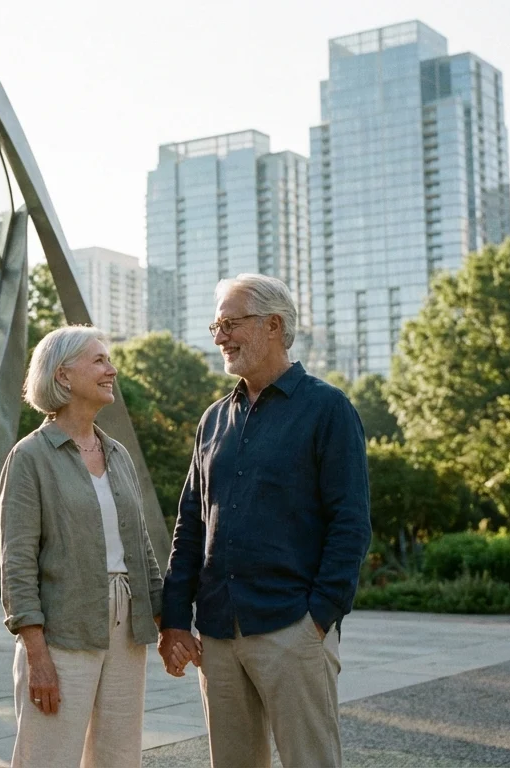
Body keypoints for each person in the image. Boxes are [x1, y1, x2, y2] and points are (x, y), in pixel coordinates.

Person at [159, 274, 371, 768]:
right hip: (216, 632)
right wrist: (174, 617)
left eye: (230, 324)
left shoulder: (328, 409)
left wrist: (319, 618)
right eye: (216, 326)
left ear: (273, 325)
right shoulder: (213, 420)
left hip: (292, 629)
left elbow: (350, 525)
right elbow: (190, 524)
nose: (219, 337)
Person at [0, 325, 167, 768]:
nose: (111, 370)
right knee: (47, 757)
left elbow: (142, 549)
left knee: (119, 758)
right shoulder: (29, 457)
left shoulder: (117, 454)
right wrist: (37, 657)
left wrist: (169, 623)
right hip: (61, 633)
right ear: (63, 375)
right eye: (99, 360)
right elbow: (16, 564)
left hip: (126, 632)